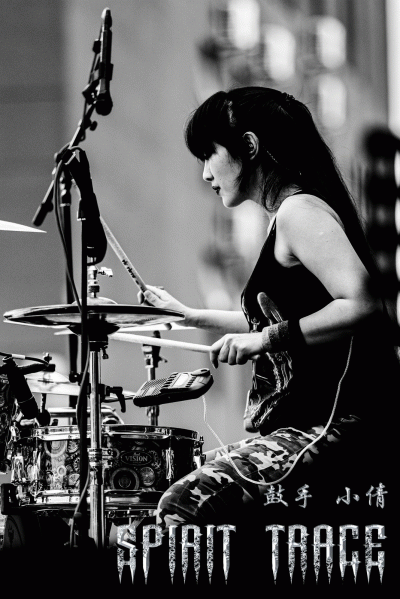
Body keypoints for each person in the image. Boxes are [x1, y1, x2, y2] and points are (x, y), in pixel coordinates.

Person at [141, 87, 399, 532]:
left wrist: (264, 340)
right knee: (174, 479)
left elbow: (362, 303)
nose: (205, 173)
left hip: (338, 428)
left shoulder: (300, 212)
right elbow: (275, 319)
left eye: (209, 154)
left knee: (184, 503)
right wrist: (188, 315)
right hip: (311, 427)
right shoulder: (287, 216)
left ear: (249, 146)